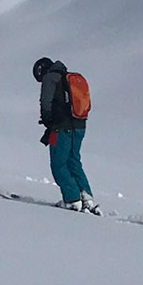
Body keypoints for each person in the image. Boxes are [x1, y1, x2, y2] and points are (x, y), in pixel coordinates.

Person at [34, 56, 96, 211]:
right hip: (80, 126)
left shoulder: (51, 78)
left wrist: (47, 120)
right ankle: (86, 197)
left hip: (61, 128)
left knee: (59, 164)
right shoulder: (70, 78)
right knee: (73, 160)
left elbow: (45, 102)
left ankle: (72, 199)